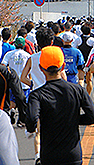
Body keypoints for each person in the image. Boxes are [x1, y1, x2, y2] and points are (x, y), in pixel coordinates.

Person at [25, 46, 94, 165]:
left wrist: (32, 127)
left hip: (49, 155)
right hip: (73, 154)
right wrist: (74, 119)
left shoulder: (37, 95)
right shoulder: (77, 90)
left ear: (41, 68)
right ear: (63, 66)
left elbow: (32, 119)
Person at [21, 26, 67, 165]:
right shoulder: (55, 57)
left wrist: (33, 84)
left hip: (37, 96)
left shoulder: (32, 58)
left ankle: (37, 156)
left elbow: (22, 77)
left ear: (37, 42)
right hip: (55, 95)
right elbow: (63, 78)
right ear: (52, 41)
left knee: (39, 131)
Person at [2, 36, 31, 127]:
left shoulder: (9, 54)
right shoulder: (27, 55)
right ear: (23, 45)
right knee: (24, 102)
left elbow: (3, 64)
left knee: (12, 100)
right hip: (24, 83)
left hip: (12, 82)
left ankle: (13, 110)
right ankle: (21, 120)